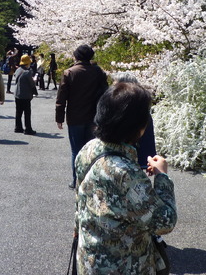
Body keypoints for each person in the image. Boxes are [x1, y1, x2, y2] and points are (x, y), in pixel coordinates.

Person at [75, 81, 177, 274]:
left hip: (89, 261)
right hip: (123, 266)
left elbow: (80, 199)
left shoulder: (88, 149)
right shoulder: (125, 173)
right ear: (138, 126)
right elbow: (165, 221)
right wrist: (162, 176)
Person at [56, 45, 108, 189]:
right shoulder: (98, 72)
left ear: (76, 56)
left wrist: (59, 117)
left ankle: (76, 180)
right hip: (94, 117)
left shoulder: (69, 73)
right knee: (92, 150)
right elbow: (106, 93)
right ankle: (90, 180)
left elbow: (61, 98)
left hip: (75, 117)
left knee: (76, 150)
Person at [14, 54, 38, 135]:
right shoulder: (28, 72)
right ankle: (28, 129)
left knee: (18, 111)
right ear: (28, 63)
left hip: (17, 94)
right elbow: (31, 84)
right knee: (27, 113)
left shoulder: (18, 70)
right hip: (25, 95)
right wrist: (34, 80)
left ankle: (18, 127)